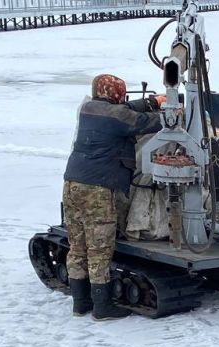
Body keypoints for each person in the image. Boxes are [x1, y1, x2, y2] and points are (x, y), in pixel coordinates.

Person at [63, 74, 162, 319]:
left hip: (72, 184)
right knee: (99, 248)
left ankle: (81, 302)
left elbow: (124, 111)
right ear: (117, 94)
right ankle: (103, 306)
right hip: (98, 189)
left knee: (78, 245)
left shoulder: (89, 108)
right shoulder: (118, 117)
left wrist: (151, 101)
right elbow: (142, 122)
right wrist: (170, 112)